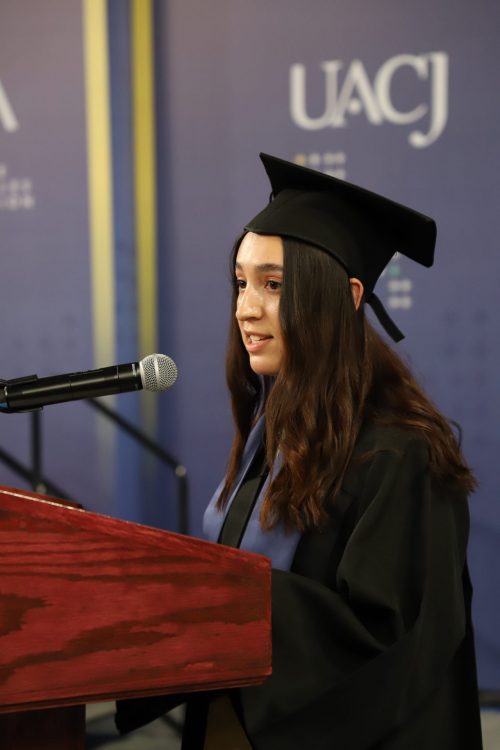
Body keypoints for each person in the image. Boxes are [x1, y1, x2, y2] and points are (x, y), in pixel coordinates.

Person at [116, 153, 483, 749]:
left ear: (347, 294)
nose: (246, 307)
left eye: (274, 285)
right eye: (241, 282)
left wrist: (216, 598)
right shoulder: (274, 431)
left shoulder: (400, 454)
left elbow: (392, 642)